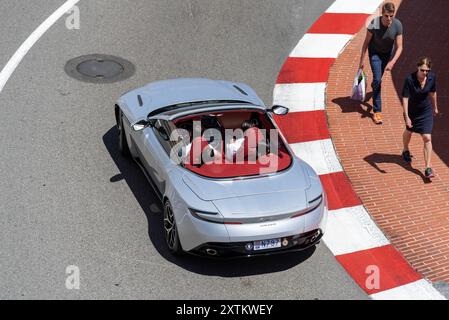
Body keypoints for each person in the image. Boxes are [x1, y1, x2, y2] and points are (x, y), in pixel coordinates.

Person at [359, 2, 403, 124]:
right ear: (382, 15)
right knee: (378, 79)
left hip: (387, 55)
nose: (389, 19)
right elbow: (365, 44)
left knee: (377, 80)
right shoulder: (374, 24)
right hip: (375, 54)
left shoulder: (397, 25)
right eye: (386, 16)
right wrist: (361, 61)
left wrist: (392, 62)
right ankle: (377, 112)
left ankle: (375, 86)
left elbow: (400, 47)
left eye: (391, 16)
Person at [401, 57, 438, 179]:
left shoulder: (432, 78)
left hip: (425, 110)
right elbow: (405, 98)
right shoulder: (409, 79)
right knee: (409, 130)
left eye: (427, 70)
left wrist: (435, 107)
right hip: (412, 111)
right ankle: (405, 150)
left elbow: (432, 92)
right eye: (423, 70)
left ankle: (427, 168)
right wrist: (406, 117)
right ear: (418, 67)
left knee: (427, 137)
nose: (425, 73)